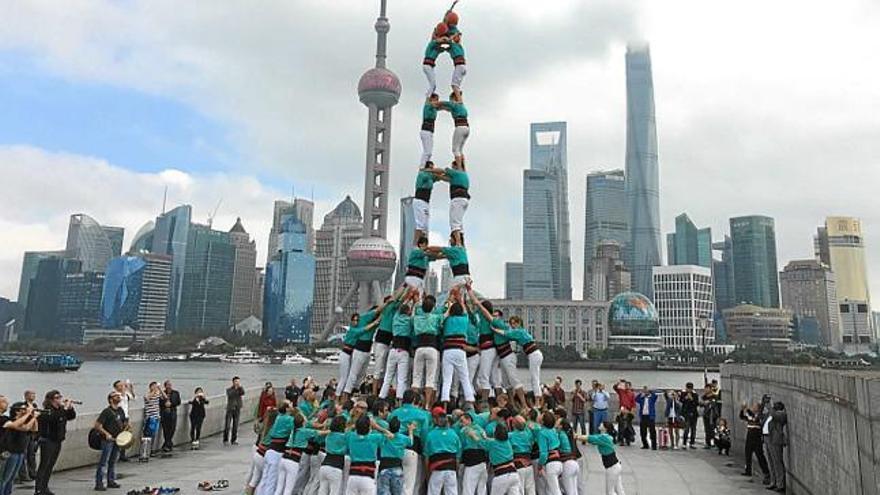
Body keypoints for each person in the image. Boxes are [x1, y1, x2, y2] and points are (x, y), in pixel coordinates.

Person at [387, 391, 430, 495]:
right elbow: (424, 434)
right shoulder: (422, 414)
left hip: (394, 448)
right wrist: (424, 451)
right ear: (414, 400)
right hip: (412, 447)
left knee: (394, 483)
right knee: (409, 484)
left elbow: (389, 429)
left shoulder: (394, 413)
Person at [34, 389, 76, 495]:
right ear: (51, 400)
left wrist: (70, 408)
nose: (60, 399)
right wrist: (65, 408)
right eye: (57, 398)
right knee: (44, 465)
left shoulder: (61, 410)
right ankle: (38, 489)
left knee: (50, 465)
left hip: (58, 440)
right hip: (48, 440)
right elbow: (54, 418)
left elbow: (71, 416)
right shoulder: (47, 411)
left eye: (60, 397)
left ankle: (45, 487)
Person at [440, 291, 476, 408]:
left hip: (447, 351)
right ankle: (470, 404)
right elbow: (465, 309)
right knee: (465, 378)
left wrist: (450, 299)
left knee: (447, 380)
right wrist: (460, 298)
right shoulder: (464, 319)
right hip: (460, 351)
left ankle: (445, 407)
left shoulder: (446, 320)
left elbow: (444, 311)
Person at [347, 415, 393, 495]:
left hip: (352, 476)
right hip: (368, 476)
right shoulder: (375, 438)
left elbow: (347, 429)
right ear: (369, 427)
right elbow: (391, 436)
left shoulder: (351, 436)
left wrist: (357, 425)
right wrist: (377, 427)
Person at [380, 298, 414, 400]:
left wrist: (407, 299)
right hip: (404, 351)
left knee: (388, 377)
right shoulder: (409, 321)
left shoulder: (395, 318)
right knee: (402, 379)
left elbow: (400, 309)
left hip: (393, 350)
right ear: (408, 312)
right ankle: (399, 399)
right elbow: (413, 317)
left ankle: (381, 397)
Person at [1, 401, 38, 495]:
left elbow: (34, 429)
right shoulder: (10, 420)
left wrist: (32, 416)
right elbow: (22, 427)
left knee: (11, 479)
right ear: (17, 411)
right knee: (4, 478)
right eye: (22, 409)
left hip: (20, 452)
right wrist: (30, 414)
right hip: (10, 452)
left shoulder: (23, 420)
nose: (24, 411)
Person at [412, 295, 442, 408]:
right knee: (430, 378)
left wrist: (416, 301)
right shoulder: (436, 317)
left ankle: (414, 404)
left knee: (416, 377)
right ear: (433, 307)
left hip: (419, 348)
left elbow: (415, 310)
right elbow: (445, 315)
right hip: (432, 347)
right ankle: (428, 405)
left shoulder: (417, 317)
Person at [93, 392, 126, 491]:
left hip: (117, 439)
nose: (119, 397)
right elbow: (97, 425)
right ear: (111, 399)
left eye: (119, 396)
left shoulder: (120, 410)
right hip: (108, 440)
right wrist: (106, 434)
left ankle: (111, 481)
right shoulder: (106, 411)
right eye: (116, 396)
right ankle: (99, 483)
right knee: (104, 462)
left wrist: (125, 428)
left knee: (113, 461)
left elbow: (123, 422)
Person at [424, 408, 460, 495]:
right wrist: (456, 470)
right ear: (447, 421)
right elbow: (458, 457)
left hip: (437, 469)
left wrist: (427, 473)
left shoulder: (430, 435)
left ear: (437, 421)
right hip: (451, 469)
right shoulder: (454, 434)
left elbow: (427, 457)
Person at [585, 421, 626, 495]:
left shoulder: (604, 437)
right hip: (616, 466)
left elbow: (589, 438)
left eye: (601, 424)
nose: (599, 424)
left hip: (612, 467)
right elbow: (594, 438)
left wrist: (576, 436)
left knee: (610, 491)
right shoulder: (606, 436)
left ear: (605, 428)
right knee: (619, 490)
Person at [378, 417, 416, 495]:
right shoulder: (403, 438)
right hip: (397, 468)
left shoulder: (384, 437)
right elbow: (411, 442)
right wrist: (411, 430)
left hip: (384, 468)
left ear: (389, 427)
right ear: (399, 428)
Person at [739, 401, 771, 485]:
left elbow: (755, 418)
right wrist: (742, 409)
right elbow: (742, 416)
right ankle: (748, 470)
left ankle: (766, 473)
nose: (753, 408)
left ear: (758, 409)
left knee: (760, 456)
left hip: (757, 438)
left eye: (754, 407)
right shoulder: (750, 415)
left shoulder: (760, 416)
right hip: (749, 437)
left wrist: (747, 409)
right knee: (747, 454)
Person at [457, 412, 487, 495]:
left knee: (468, 488)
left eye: (462, 421)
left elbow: (461, 446)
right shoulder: (481, 430)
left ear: (469, 420)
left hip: (472, 461)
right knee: (482, 490)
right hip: (483, 461)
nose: (460, 423)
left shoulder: (464, 430)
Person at [536, 411, 563, 495]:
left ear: (543, 421)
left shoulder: (542, 433)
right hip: (558, 462)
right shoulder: (553, 431)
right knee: (550, 490)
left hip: (551, 464)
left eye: (541, 415)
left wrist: (539, 465)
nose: (539, 415)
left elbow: (543, 453)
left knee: (555, 491)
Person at [765, 401, 787, 493]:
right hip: (768, 438)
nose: (773, 406)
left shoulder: (781, 415)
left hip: (775, 440)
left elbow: (775, 415)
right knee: (771, 462)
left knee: (777, 462)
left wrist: (769, 407)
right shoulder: (771, 414)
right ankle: (773, 482)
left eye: (775, 406)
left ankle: (780, 484)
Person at [422, 22, 449, 97]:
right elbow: (439, 40)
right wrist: (446, 38)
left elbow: (444, 46)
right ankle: (427, 98)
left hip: (430, 66)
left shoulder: (437, 49)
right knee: (433, 84)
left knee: (434, 86)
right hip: (427, 65)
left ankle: (429, 96)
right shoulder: (432, 43)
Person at [17, 390, 38, 483]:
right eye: (31, 394)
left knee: (31, 454)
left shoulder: (35, 406)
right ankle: (23, 475)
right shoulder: (23, 406)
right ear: (26, 396)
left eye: (34, 394)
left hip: (32, 433)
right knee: (23, 455)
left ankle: (33, 473)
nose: (33, 396)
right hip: (25, 433)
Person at [111, 380, 134, 461]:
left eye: (122, 385)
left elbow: (133, 397)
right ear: (116, 387)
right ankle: (116, 454)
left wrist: (130, 388)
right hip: (118, 418)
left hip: (126, 417)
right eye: (120, 386)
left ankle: (122, 455)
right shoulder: (114, 395)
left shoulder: (126, 394)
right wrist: (124, 390)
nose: (122, 387)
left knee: (126, 436)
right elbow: (119, 399)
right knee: (118, 435)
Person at [140, 382, 162, 461]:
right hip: (150, 417)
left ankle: (151, 450)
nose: (155, 388)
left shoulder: (157, 395)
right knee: (147, 435)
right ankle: (145, 452)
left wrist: (159, 389)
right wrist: (153, 391)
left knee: (154, 435)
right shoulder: (147, 395)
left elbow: (165, 397)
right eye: (154, 386)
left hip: (156, 417)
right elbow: (147, 398)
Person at [419, 95, 443, 167]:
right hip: (425, 131)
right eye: (436, 99)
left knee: (429, 153)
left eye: (438, 100)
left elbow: (442, 107)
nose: (437, 101)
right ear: (431, 99)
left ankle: (425, 165)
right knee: (427, 152)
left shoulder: (434, 109)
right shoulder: (428, 105)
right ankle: (422, 166)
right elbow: (432, 101)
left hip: (430, 132)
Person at [159, 380, 181, 452]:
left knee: (172, 428)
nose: (169, 386)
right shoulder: (162, 393)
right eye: (167, 385)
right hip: (164, 413)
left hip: (172, 412)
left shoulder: (175, 393)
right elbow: (159, 402)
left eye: (170, 385)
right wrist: (164, 404)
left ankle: (167, 443)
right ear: (165, 386)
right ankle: (168, 444)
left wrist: (171, 404)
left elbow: (178, 402)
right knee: (165, 429)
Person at [612, 380, 635, 446]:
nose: (627, 386)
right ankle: (621, 440)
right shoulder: (621, 391)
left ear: (630, 386)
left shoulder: (632, 394)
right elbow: (615, 387)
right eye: (626, 385)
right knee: (621, 426)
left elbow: (633, 404)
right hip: (622, 410)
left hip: (628, 410)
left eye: (628, 385)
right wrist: (619, 383)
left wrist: (632, 412)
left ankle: (628, 439)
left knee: (628, 426)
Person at [225, 376, 246, 445]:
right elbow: (230, 394)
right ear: (233, 382)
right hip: (230, 409)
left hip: (237, 409)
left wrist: (240, 387)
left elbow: (243, 393)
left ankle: (233, 440)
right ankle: (225, 439)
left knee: (235, 425)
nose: (237, 383)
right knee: (227, 425)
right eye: (236, 381)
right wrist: (236, 389)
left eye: (238, 381)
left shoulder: (240, 389)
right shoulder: (229, 389)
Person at [679, 382, 700, 449]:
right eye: (688, 388)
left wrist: (692, 399)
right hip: (686, 414)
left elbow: (696, 403)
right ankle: (684, 443)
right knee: (686, 429)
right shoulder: (683, 393)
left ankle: (692, 443)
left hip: (694, 414)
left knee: (693, 429)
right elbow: (681, 401)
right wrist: (685, 398)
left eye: (690, 388)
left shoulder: (695, 394)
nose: (689, 390)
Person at [700, 384, 719, 449]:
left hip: (713, 415)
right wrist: (704, 403)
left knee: (713, 429)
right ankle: (708, 443)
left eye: (707, 388)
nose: (706, 390)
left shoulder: (715, 396)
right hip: (706, 414)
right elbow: (701, 403)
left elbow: (714, 404)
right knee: (707, 429)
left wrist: (708, 402)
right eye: (705, 388)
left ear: (710, 389)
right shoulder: (704, 396)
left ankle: (715, 442)